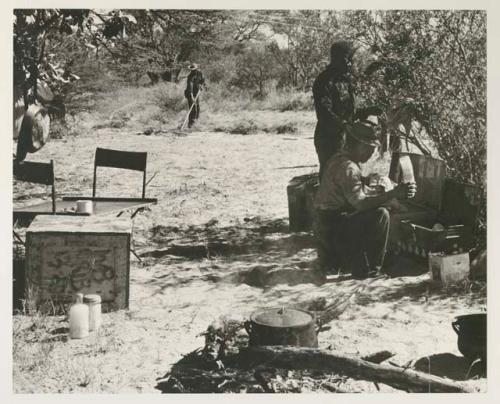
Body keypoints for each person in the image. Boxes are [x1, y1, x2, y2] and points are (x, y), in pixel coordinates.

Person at [313, 121, 417, 279]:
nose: (371, 155)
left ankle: (360, 262)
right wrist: (393, 193)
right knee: (381, 215)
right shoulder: (349, 168)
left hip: (327, 227)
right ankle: (372, 270)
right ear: (361, 146)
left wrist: (369, 183)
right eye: (371, 150)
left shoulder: (339, 159)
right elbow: (361, 204)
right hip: (334, 230)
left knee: (377, 209)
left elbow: (349, 190)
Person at [312, 41, 383, 181]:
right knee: (330, 179)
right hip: (328, 140)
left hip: (347, 138)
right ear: (337, 59)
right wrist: (345, 125)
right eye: (347, 59)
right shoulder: (324, 81)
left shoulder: (346, 81)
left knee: (348, 178)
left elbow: (351, 112)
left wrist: (369, 110)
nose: (350, 63)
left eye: (351, 60)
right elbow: (324, 113)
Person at [184, 63, 205, 128]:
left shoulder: (200, 73)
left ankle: (196, 121)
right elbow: (190, 88)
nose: (193, 71)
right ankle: (190, 124)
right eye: (192, 70)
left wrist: (201, 85)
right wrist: (192, 97)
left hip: (196, 92)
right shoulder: (190, 77)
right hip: (189, 93)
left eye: (194, 69)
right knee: (192, 108)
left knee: (197, 107)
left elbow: (203, 81)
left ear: (197, 69)